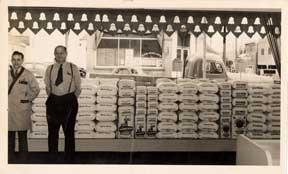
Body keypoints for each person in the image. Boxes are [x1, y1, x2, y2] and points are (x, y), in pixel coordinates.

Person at [44, 45, 81, 161]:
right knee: (52, 131)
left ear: (66, 54)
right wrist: (53, 98)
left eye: (61, 53)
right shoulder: (49, 68)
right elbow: (47, 87)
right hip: (53, 101)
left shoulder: (73, 67)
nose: (59, 55)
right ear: (54, 54)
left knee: (69, 131)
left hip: (69, 100)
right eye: (57, 53)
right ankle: (52, 157)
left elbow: (78, 87)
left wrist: (70, 99)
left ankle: (69, 158)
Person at [8, 51, 40, 160]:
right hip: (9, 110)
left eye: (18, 60)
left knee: (22, 137)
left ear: (22, 61)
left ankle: (23, 161)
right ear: (11, 61)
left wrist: (27, 99)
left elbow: (36, 89)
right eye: (14, 59)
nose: (16, 62)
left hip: (22, 110)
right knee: (9, 138)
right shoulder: (6, 74)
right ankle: (9, 160)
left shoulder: (28, 74)